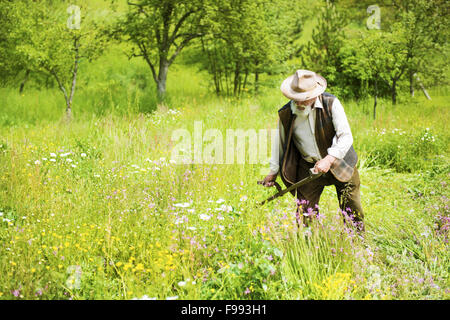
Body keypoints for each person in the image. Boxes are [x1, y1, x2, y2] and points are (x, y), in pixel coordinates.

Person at [262, 69, 364, 232]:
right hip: (308, 166)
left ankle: (358, 243)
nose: (300, 103)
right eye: (296, 99)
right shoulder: (286, 114)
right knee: (304, 214)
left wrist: (329, 159)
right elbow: (278, 144)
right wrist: (273, 172)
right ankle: (310, 247)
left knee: (352, 207)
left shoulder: (331, 103)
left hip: (340, 160)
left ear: (315, 94)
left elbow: (345, 136)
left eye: (305, 99)